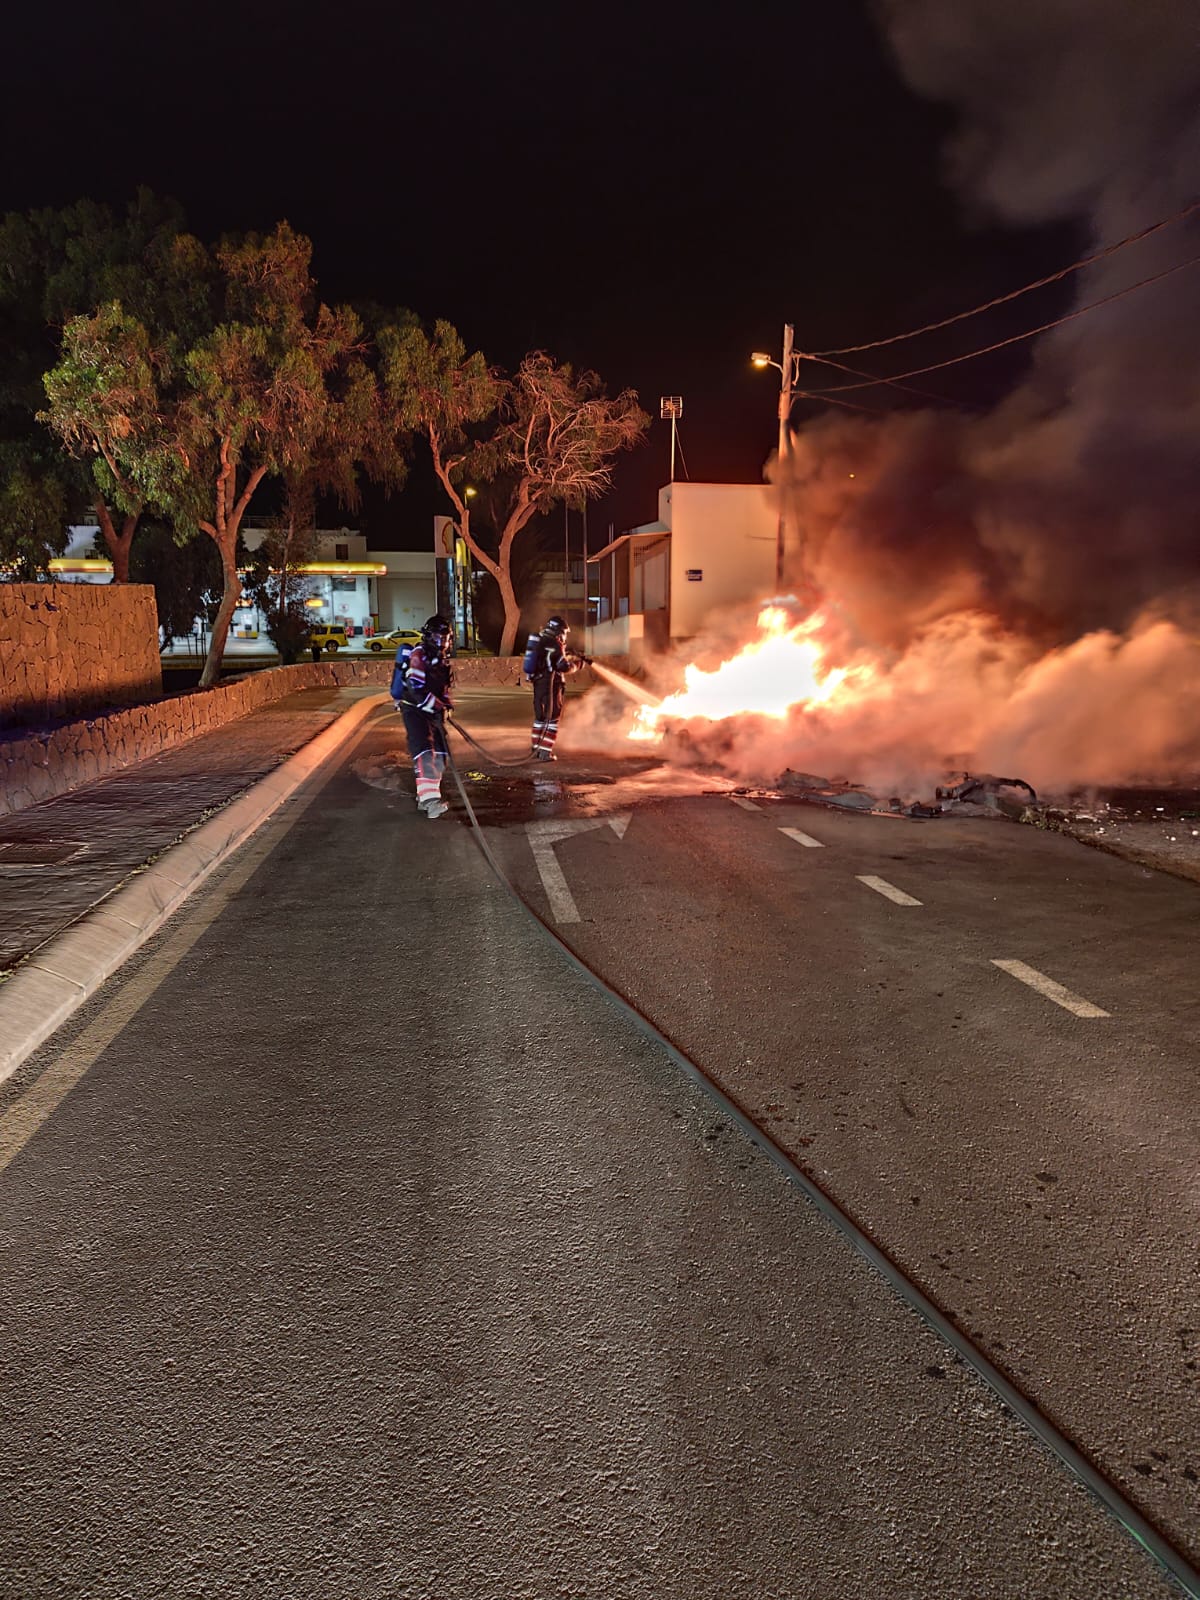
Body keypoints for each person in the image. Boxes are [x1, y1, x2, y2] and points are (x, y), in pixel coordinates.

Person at [393, 615, 455, 818]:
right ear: (429, 636)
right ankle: (430, 801)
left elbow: (443, 688)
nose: (443, 642)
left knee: (442, 753)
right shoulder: (419, 655)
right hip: (414, 709)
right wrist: (437, 707)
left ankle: (425, 795)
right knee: (425, 751)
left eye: (445, 638)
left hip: (432, 711)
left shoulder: (442, 661)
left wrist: (447, 706)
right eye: (439, 637)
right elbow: (415, 688)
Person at [525, 615, 580, 761]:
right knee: (553, 719)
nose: (564, 636)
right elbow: (562, 666)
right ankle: (545, 752)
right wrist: (577, 665)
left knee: (540, 718)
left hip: (539, 685)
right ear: (558, 631)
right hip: (551, 686)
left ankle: (536, 749)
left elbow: (547, 659)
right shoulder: (555, 645)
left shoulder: (540, 641)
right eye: (564, 632)